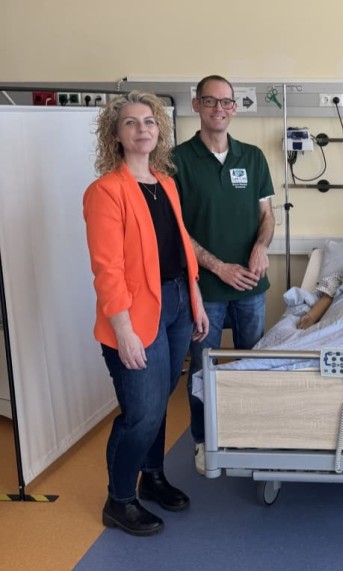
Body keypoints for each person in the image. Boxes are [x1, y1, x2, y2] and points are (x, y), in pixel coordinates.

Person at [83, 92, 209, 536]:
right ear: (115, 135)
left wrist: (194, 299)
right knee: (142, 413)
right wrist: (124, 331)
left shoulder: (165, 183)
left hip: (176, 304)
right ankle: (119, 501)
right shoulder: (106, 191)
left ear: (160, 131)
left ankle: (151, 477)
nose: (142, 129)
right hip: (134, 317)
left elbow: (181, 248)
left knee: (161, 401)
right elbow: (107, 269)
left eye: (149, 122)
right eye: (131, 123)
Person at [172, 75, 276, 475]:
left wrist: (261, 247)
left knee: (252, 363)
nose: (220, 109)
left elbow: (267, 216)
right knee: (203, 368)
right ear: (196, 105)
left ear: (235, 107)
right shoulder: (177, 161)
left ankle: (250, 433)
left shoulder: (252, 157)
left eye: (227, 102)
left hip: (250, 284)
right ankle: (204, 440)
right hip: (205, 289)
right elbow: (177, 229)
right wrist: (218, 267)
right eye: (211, 101)